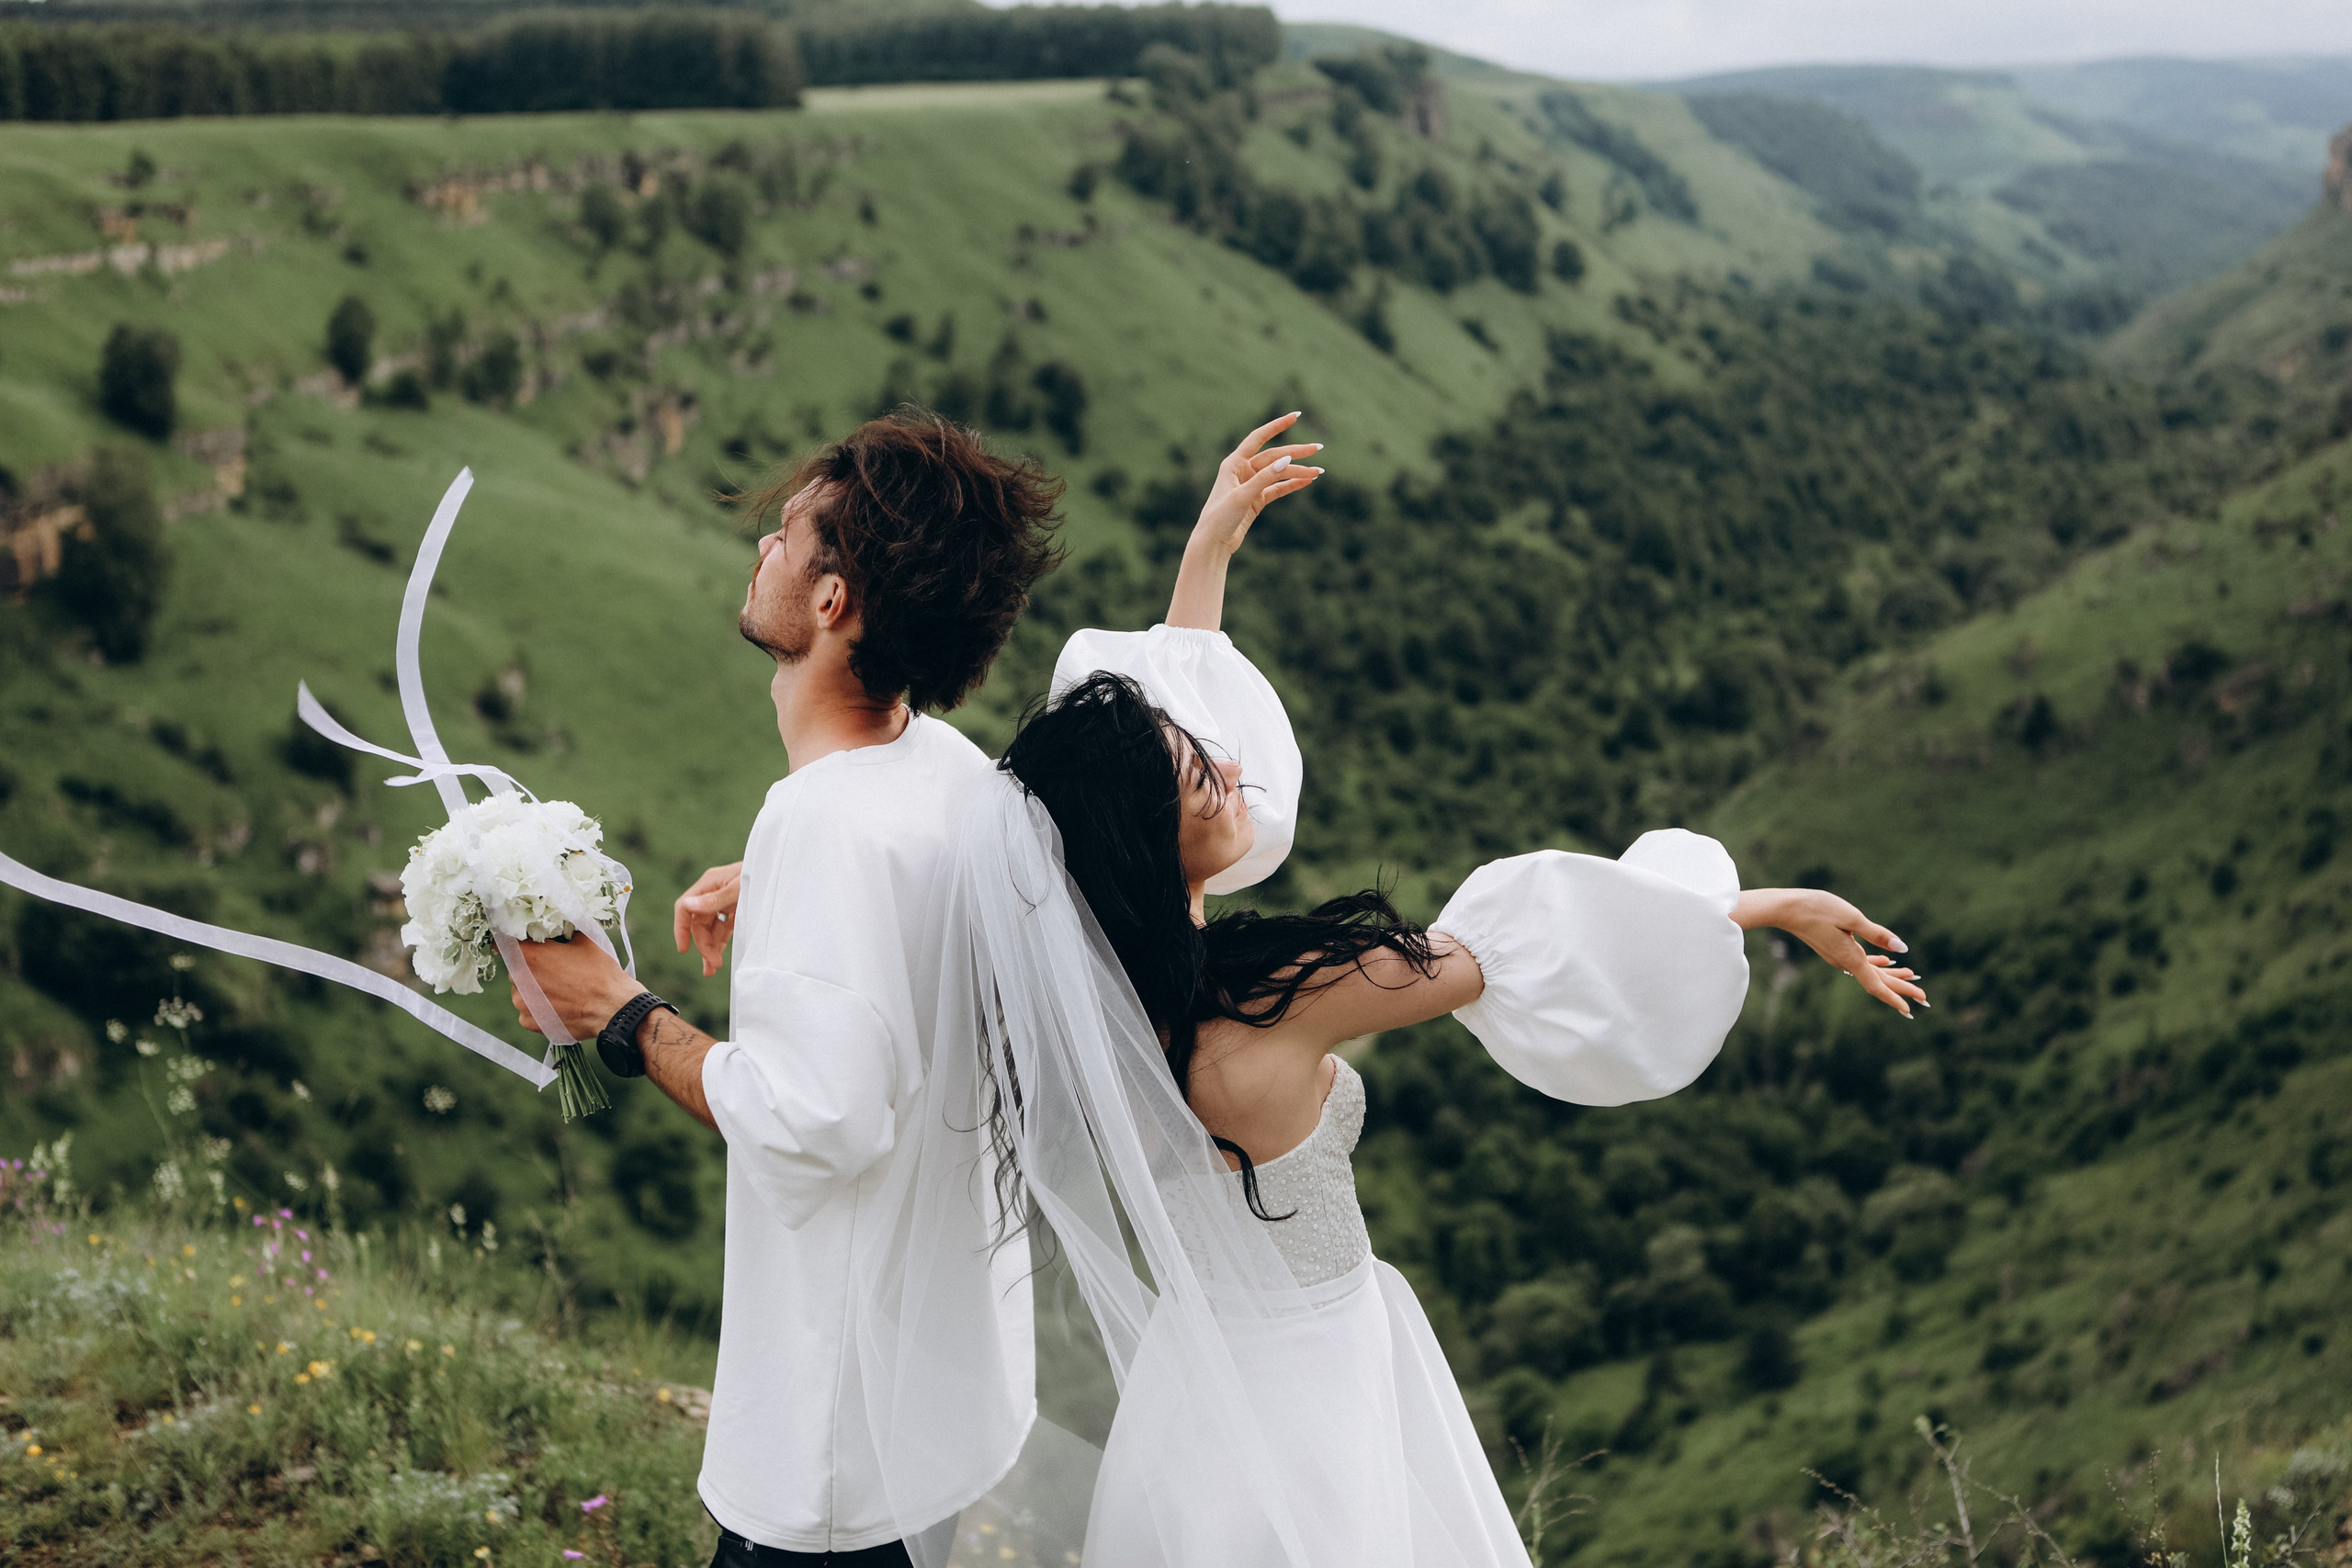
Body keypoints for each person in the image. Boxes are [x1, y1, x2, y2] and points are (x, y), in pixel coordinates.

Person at [507, 408, 1326, 1566]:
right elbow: (966, 908)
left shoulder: (827, 824)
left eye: (787, 537)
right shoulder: (946, 770)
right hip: (942, 1403)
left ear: (833, 602)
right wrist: (773, 884)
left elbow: (820, 1118)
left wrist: (619, 1016)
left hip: (834, 1445)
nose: (764, 551)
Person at [976, 630, 1924, 1564]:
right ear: (1146, 841)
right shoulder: (1276, 998)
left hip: (1196, 1386)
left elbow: (1140, 783)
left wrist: (1207, 555)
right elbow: (1548, 943)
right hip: (1326, 1378)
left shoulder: (1089, 1019)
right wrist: (1771, 906)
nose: (1232, 764)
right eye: (1201, 780)